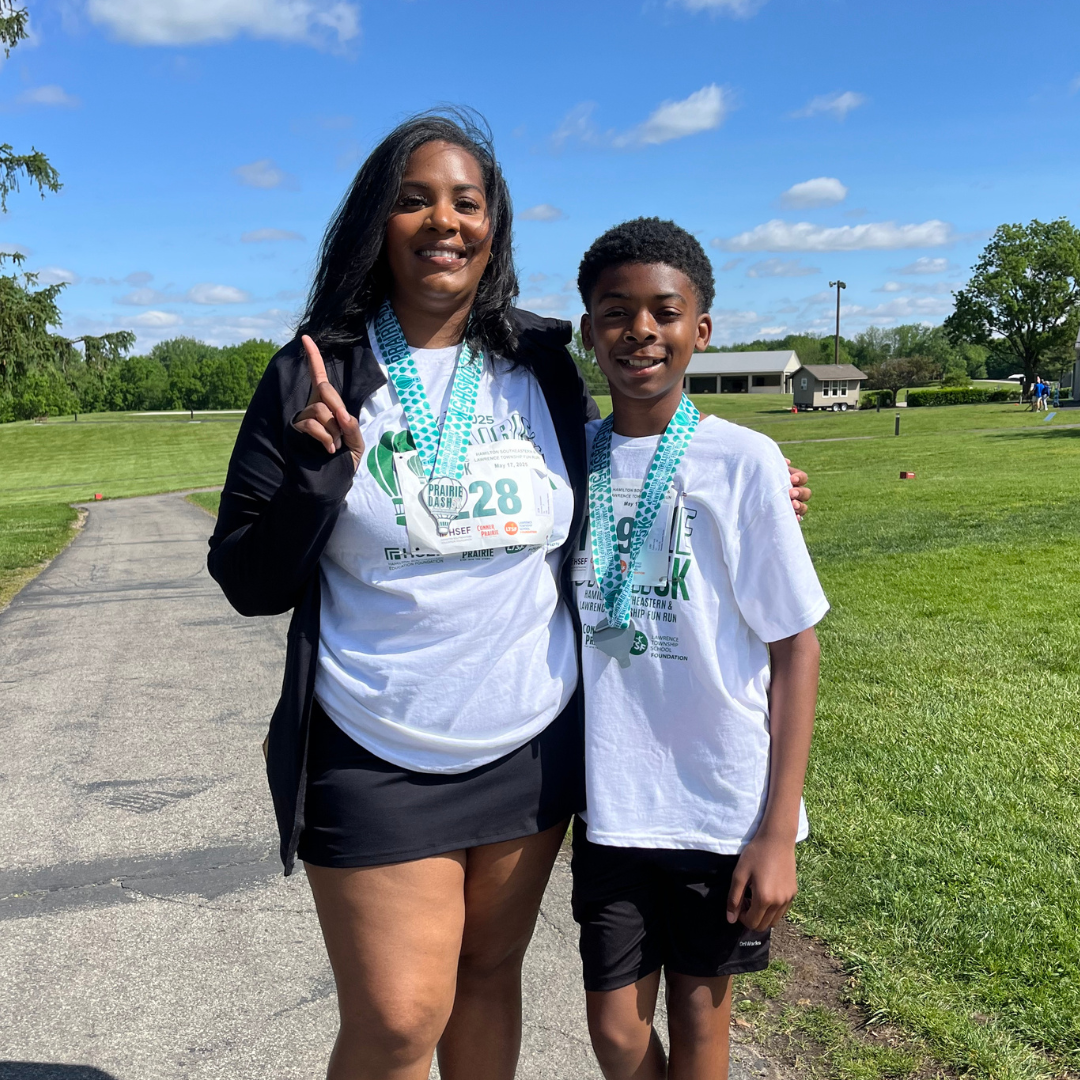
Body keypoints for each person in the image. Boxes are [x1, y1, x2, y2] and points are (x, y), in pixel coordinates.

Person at [207, 111, 812, 1080]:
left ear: (494, 225)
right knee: (402, 1018)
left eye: (466, 201)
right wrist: (317, 477)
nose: (443, 221)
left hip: (529, 755)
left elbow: (634, 452)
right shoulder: (317, 369)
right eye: (414, 200)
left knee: (489, 979)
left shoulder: (536, 361)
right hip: (376, 750)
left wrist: (760, 482)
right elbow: (245, 575)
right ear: (378, 220)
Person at [568, 219, 828, 1080]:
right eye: (615, 312)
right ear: (588, 331)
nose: (640, 330)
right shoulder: (571, 463)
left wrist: (778, 833)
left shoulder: (744, 461)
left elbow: (796, 647)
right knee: (614, 1031)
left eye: (664, 311)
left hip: (720, 808)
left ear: (700, 330)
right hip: (613, 803)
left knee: (702, 1023)